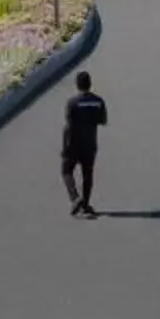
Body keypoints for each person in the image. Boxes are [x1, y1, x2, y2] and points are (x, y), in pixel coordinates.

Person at [61, 72, 107, 217]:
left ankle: (75, 198)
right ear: (90, 84)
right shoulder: (98, 101)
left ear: (77, 85)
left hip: (74, 143)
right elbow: (103, 121)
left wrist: (65, 146)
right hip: (90, 143)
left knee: (66, 170)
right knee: (87, 173)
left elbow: (68, 125)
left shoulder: (72, 103)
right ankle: (85, 204)